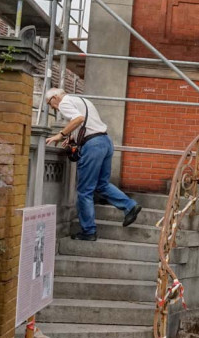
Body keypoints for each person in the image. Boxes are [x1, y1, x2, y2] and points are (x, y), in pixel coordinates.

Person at [45, 87, 141, 240]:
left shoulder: (64, 103)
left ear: (55, 97)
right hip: (105, 142)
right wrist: (72, 138)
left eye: (50, 103)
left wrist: (60, 135)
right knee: (102, 184)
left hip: (93, 146)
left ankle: (88, 231)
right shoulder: (82, 100)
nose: (52, 107)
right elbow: (86, 123)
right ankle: (130, 206)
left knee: (84, 190)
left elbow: (78, 119)